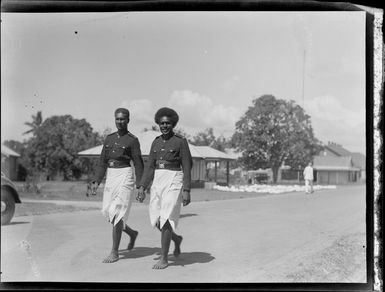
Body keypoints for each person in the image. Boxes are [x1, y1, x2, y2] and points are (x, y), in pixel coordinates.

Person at [137, 107, 192, 269]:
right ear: (158, 124)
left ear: (173, 124)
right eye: (162, 123)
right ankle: (175, 238)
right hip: (158, 180)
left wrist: (186, 190)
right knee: (155, 218)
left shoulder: (181, 142)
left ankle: (164, 258)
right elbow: (149, 167)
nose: (165, 126)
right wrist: (142, 187)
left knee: (166, 217)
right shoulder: (156, 141)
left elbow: (187, 166)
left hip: (174, 178)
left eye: (168, 123)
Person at [89, 108, 144, 263]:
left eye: (123, 119)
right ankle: (132, 233)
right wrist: (96, 181)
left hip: (125, 175)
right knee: (109, 212)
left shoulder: (132, 140)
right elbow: (102, 162)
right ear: (115, 119)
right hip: (111, 176)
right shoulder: (109, 138)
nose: (120, 122)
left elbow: (139, 165)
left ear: (128, 120)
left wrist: (140, 186)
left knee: (117, 212)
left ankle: (114, 252)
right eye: (117, 119)